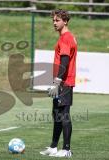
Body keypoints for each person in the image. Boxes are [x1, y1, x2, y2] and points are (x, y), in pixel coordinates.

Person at [40, 9, 77, 158]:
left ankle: (66, 149)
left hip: (64, 82)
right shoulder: (65, 37)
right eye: (53, 20)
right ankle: (54, 147)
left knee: (64, 114)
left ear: (65, 21)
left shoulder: (66, 38)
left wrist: (58, 81)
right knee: (56, 114)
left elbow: (65, 60)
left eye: (57, 20)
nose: (54, 23)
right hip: (60, 81)